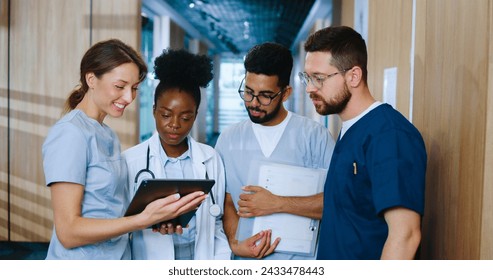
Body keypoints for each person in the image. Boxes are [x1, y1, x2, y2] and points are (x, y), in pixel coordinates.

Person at [42, 39, 206, 260]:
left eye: (134, 88)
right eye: (120, 87)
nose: (129, 98)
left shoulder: (106, 133)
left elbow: (110, 207)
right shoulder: (70, 134)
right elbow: (68, 232)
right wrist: (143, 219)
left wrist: (160, 217)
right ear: (91, 79)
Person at [300, 26, 427, 260]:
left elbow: (406, 235)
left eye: (319, 78)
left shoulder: (389, 135)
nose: (310, 88)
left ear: (354, 76)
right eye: (307, 77)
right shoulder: (349, 129)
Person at [215, 42, 335, 260]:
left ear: (286, 93)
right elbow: (228, 202)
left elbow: (338, 202)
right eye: (249, 92)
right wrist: (235, 244)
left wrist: (278, 203)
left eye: (265, 95)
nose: (253, 103)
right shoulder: (229, 139)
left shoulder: (314, 137)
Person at [123, 49, 231, 260]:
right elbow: (122, 225)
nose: (174, 125)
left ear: (195, 116)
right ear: (154, 110)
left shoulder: (210, 158)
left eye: (185, 117)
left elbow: (217, 221)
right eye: (166, 115)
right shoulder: (130, 161)